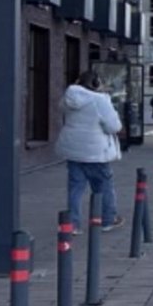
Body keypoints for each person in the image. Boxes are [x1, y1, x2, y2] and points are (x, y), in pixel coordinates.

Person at [55, 70, 124, 234]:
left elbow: (62, 109)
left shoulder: (69, 98)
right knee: (104, 186)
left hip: (73, 150)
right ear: (96, 83)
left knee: (75, 189)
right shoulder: (99, 100)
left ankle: (73, 224)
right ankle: (108, 219)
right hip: (95, 151)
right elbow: (114, 126)